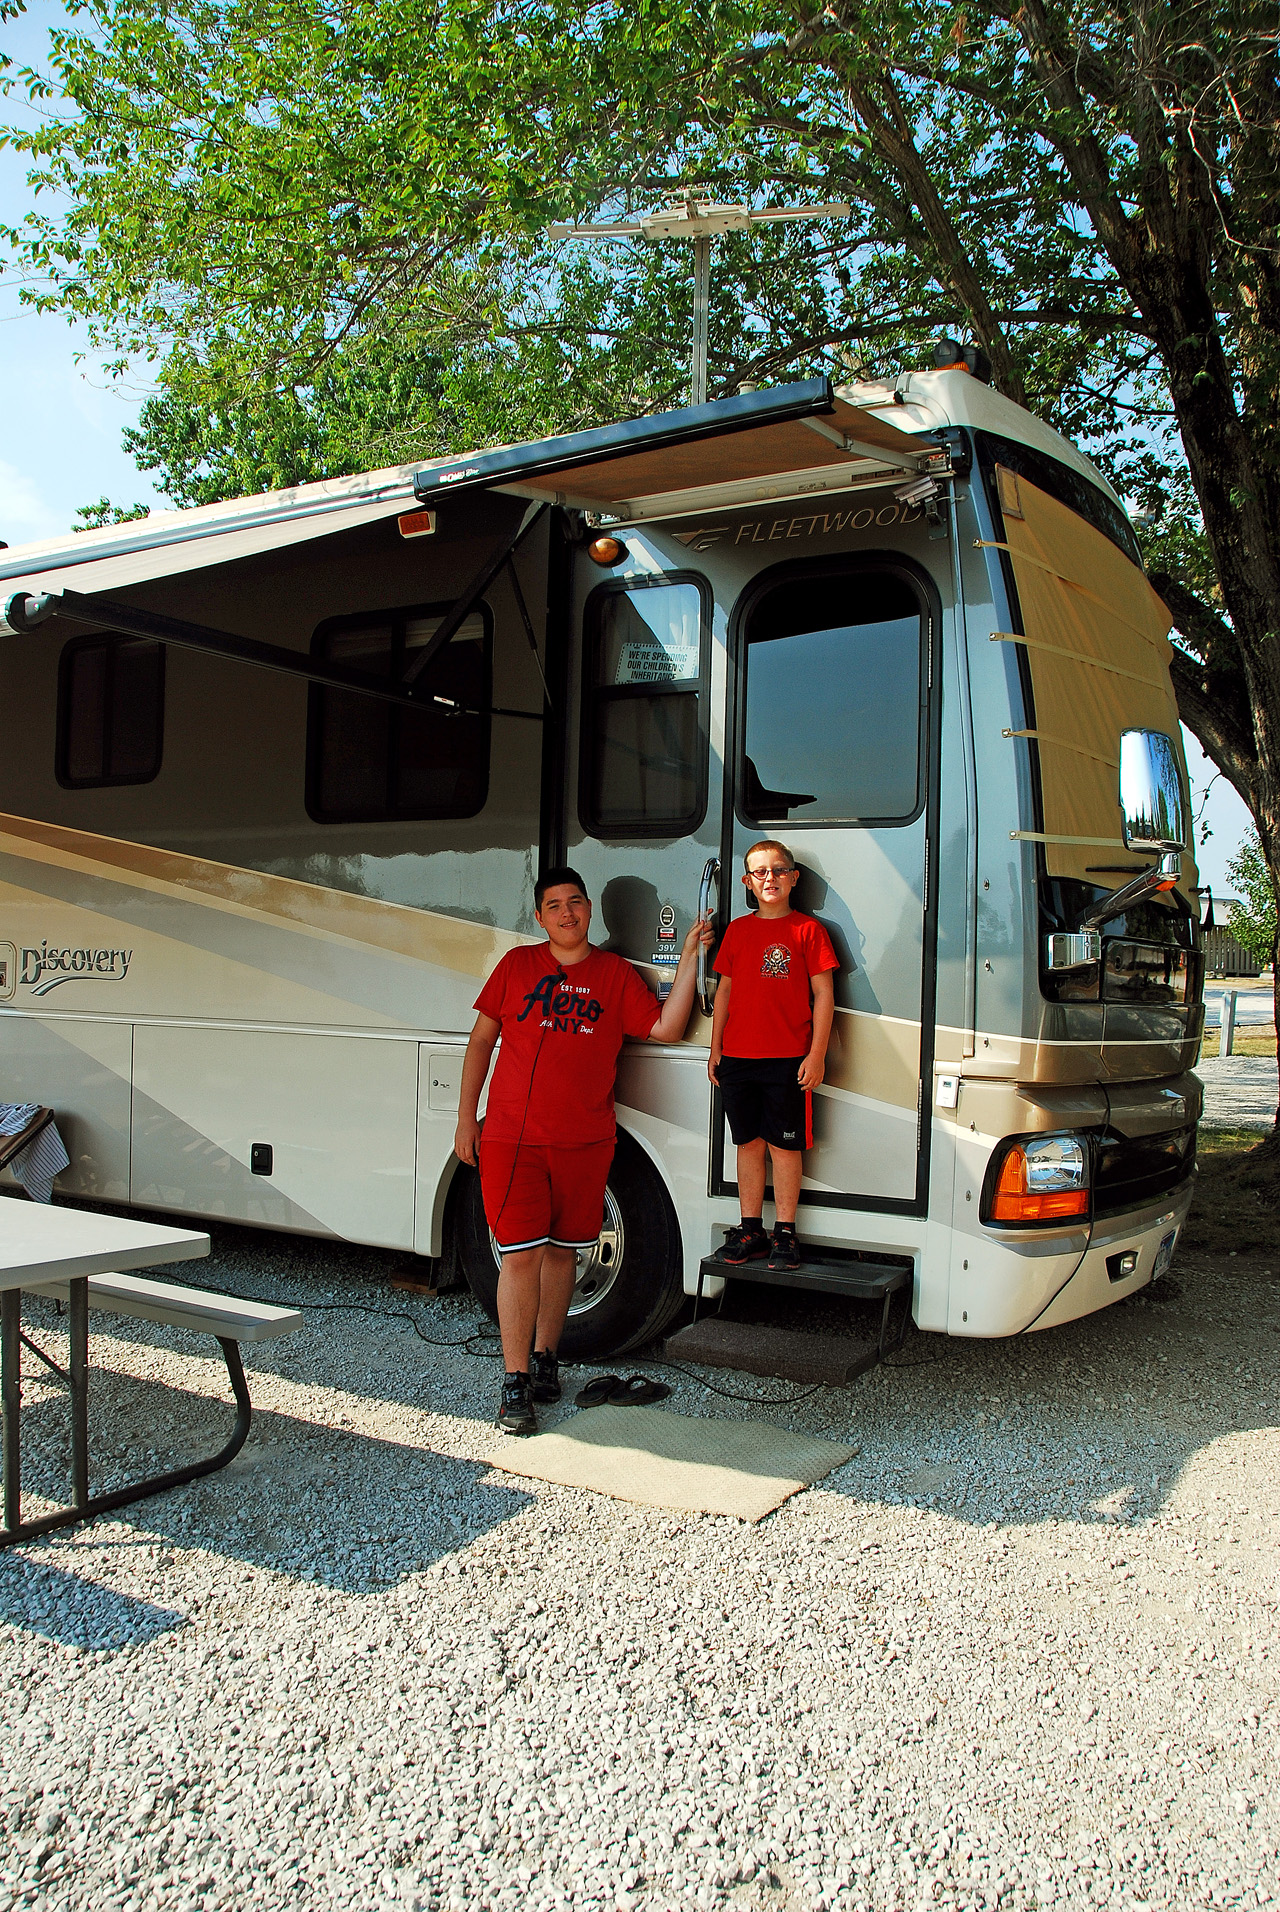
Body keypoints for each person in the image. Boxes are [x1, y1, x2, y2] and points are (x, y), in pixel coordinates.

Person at [455, 867, 712, 1434]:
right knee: (520, 1255)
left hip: (585, 1142)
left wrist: (690, 954)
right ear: (540, 916)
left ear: (590, 910)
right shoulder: (516, 967)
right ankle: (515, 1380)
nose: (566, 913)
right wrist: (463, 1119)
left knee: (563, 1253)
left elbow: (666, 1028)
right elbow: (481, 1041)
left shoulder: (615, 975)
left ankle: (547, 1360)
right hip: (512, 1139)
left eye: (575, 902)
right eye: (554, 905)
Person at [707, 840, 838, 1272]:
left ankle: (785, 1231)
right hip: (739, 1059)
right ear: (747, 881)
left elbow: (823, 995)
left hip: (787, 1059)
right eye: (760, 873)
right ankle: (751, 1229)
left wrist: (815, 1055)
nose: (770, 879)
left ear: (794, 877)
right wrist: (716, 1049)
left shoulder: (808, 931)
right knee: (747, 1144)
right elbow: (724, 991)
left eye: (778, 871)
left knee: (784, 1149)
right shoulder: (739, 931)